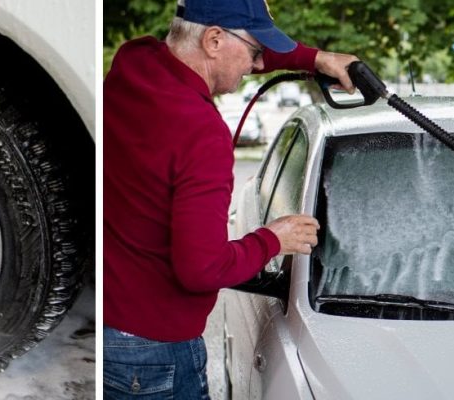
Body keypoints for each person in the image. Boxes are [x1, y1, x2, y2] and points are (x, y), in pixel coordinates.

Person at [103, 0, 359, 397]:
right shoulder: (201, 134)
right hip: (154, 355)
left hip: (109, 328)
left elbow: (226, 42)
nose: (258, 66)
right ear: (214, 40)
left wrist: (317, 59)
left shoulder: (133, 62)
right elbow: (201, 269)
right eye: (255, 51)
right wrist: (274, 238)